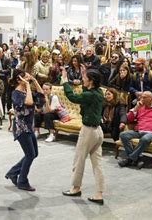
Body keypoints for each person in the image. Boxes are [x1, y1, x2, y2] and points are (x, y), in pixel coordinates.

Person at [61, 67, 105, 205]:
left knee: (79, 160)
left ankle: (75, 188)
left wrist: (64, 82)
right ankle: (99, 193)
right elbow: (87, 93)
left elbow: (73, 97)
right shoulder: (97, 92)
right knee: (97, 164)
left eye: (85, 78)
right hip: (98, 132)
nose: (82, 79)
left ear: (91, 81)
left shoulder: (90, 95)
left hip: (88, 132)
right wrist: (84, 73)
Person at [5, 71, 44, 191]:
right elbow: (29, 103)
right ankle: (22, 181)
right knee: (30, 154)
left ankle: (13, 172)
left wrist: (35, 82)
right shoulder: (16, 93)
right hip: (21, 128)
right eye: (26, 76)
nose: (29, 77)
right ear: (19, 79)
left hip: (29, 127)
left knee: (34, 153)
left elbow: (41, 98)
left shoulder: (27, 92)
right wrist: (27, 84)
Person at [118, 91, 152, 169]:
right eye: (141, 97)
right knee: (123, 135)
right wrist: (136, 108)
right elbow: (128, 119)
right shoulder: (140, 107)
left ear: (151, 99)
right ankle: (137, 159)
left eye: (144, 97)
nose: (141, 99)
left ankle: (130, 159)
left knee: (145, 139)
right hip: (139, 130)